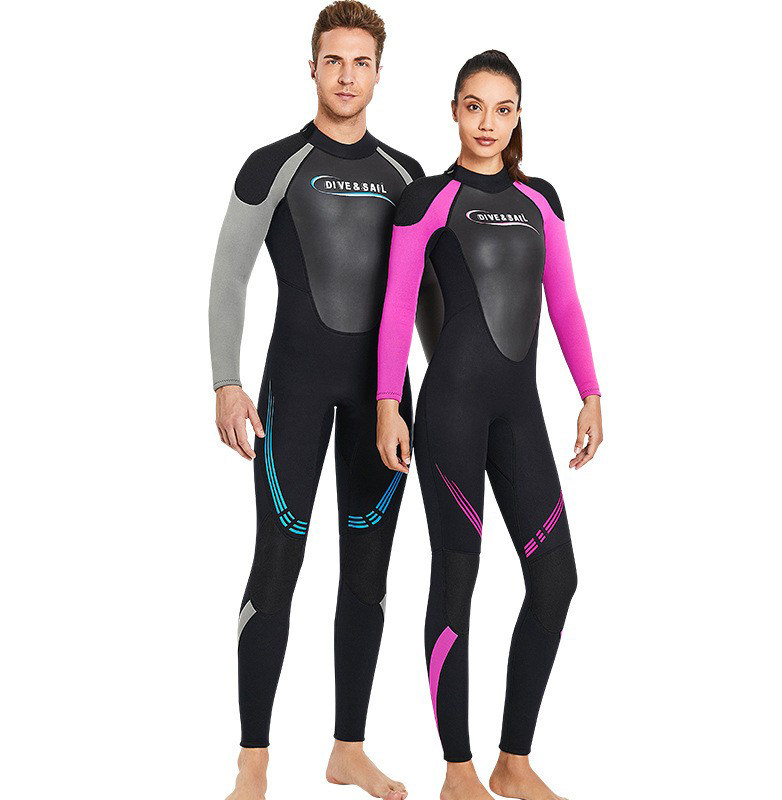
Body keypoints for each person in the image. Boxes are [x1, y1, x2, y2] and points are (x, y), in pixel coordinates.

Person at [209, 4, 440, 798]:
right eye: (333, 60)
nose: (347, 76)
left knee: (368, 573)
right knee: (278, 561)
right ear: (312, 67)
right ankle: (253, 761)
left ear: (379, 73)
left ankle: (348, 749)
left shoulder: (407, 175)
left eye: (360, 62)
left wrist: (444, 393)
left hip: (384, 399)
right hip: (296, 389)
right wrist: (226, 380)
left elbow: (426, 297)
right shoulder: (274, 163)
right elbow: (229, 274)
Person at [375, 50, 603, 800]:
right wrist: (387, 404)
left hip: (520, 413)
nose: (487, 123)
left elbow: (564, 302)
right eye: (474, 106)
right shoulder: (428, 200)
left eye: (503, 109)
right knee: (457, 578)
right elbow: (397, 306)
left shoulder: (541, 200)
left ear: (518, 116)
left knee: (556, 579)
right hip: (451, 415)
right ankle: (458, 770)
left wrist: (590, 391)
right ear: (453, 110)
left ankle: (513, 761)